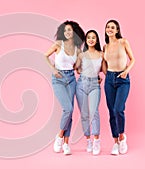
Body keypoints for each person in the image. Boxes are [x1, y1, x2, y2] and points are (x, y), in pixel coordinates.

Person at [44, 20, 85, 155]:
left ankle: (66, 144)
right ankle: (59, 136)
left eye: (70, 30)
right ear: (63, 32)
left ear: (74, 32)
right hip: (59, 79)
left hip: (71, 79)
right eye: (65, 30)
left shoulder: (77, 50)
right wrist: (53, 69)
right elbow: (45, 56)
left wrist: (92, 73)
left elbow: (77, 69)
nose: (67, 32)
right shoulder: (58, 44)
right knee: (67, 108)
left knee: (70, 112)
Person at [102, 20, 135, 155]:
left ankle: (122, 137)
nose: (109, 29)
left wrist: (127, 71)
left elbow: (132, 59)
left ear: (117, 30)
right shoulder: (105, 46)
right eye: (108, 27)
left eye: (112, 27)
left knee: (118, 109)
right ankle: (115, 142)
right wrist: (106, 75)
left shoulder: (123, 42)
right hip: (109, 79)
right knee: (111, 111)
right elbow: (104, 63)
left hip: (123, 79)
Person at [75, 30, 103, 155]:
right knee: (84, 114)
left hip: (94, 85)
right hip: (81, 84)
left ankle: (96, 140)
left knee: (94, 112)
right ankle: (88, 140)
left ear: (97, 40)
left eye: (93, 37)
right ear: (86, 40)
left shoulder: (101, 54)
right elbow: (77, 69)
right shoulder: (81, 55)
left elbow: (105, 70)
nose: (91, 39)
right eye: (89, 37)